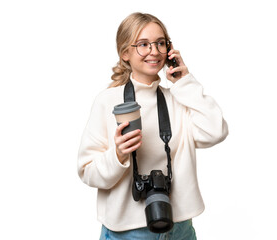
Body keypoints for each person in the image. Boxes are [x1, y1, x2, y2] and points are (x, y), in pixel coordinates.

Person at [77, 12, 228, 240]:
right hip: (128, 232)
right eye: (143, 44)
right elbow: (87, 171)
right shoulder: (107, 101)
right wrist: (118, 155)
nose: (154, 51)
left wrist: (184, 82)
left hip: (179, 228)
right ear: (125, 53)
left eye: (160, 43)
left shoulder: (179, 98)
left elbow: (216, 131)